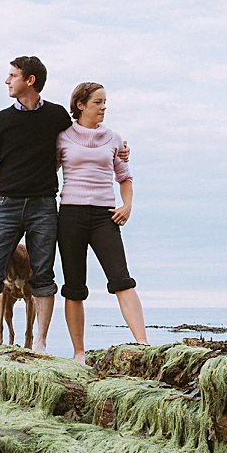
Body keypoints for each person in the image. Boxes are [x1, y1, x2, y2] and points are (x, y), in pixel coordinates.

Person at [0, 56, 72, 353]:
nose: (6, 80)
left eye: (12, 75)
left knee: (43, 274)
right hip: (6, 204)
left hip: (43, 204)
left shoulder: (56, 116)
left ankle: (40, 342)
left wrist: (118, 151)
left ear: (30, 80)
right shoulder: (0, 120)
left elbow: (75, 146)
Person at [57, 81, 147, 362]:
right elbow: (42, 170)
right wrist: (3, 177)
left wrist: (127, 206)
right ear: (81, 105)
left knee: (122, 279)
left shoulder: (114, 139)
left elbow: (125, 177)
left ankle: (143, 343)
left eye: (105, 102)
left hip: (104, 216)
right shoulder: (62, 138)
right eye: (98, 102)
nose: (104, 107)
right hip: (70, 215)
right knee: (74, 286)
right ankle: (79, 353)